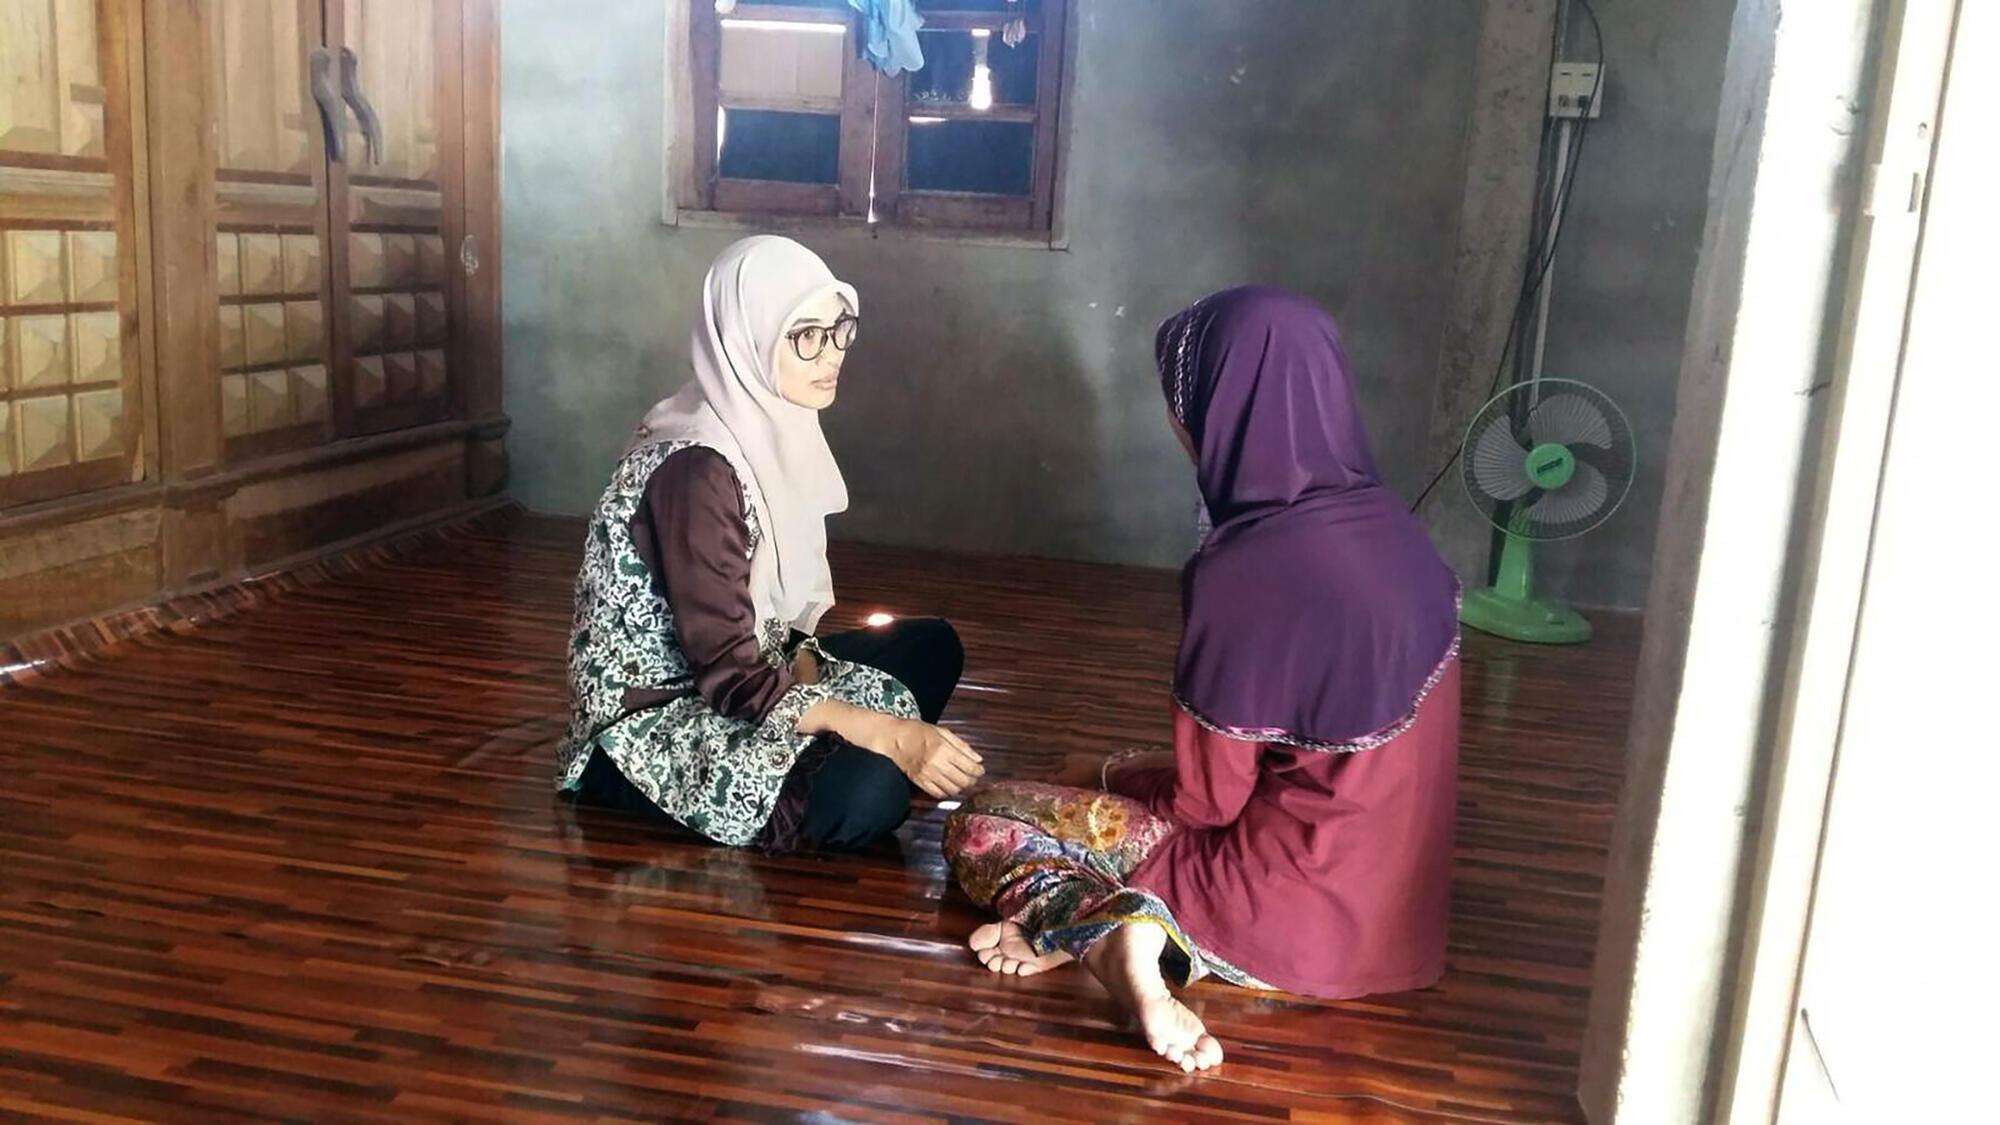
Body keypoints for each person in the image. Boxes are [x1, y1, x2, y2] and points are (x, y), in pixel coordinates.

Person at [943, 287, 1462, 1073]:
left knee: (983, 819)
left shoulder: (1247, 568)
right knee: (1109, 775)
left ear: (1222, 408)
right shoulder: (1406, 538)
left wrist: (1107, 777)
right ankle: (1141, 938)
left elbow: (1207, 802)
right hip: (1396, 921)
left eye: (1182, 400)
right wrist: (1114, 770)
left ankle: (1117, 939)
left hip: (1278, 907)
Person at [558, 235, 983, 852]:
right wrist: (890, 736)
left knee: (932, 647)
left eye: (839, 328)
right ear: (745, 339)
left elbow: (766, 625)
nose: (831, 354)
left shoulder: (764, 421)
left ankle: (848, 746)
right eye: (803, 335)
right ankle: (843, 763)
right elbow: (730, 675)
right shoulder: (698, 470)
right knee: (871, 794)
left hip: (749, 665)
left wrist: (827, 685)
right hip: (655, 721)